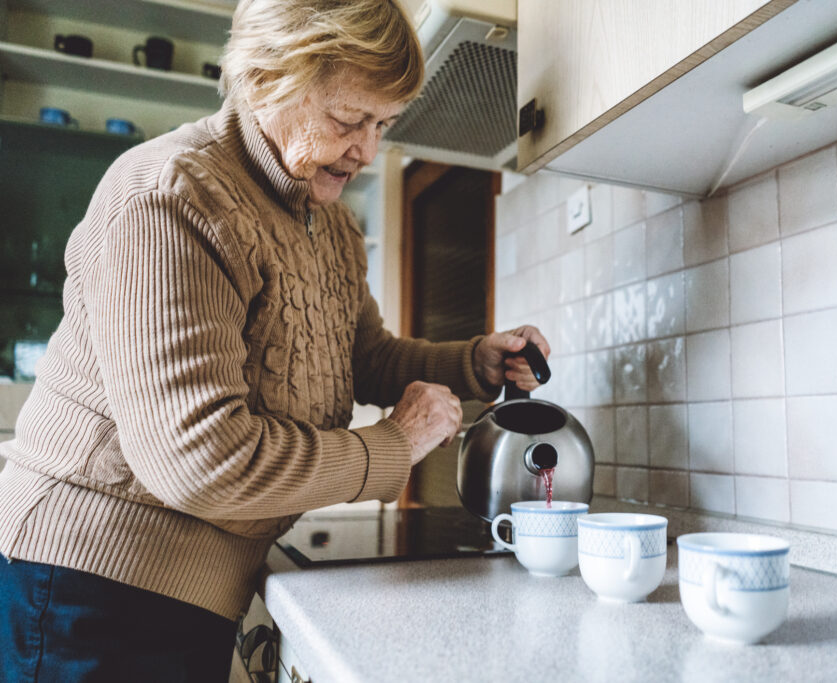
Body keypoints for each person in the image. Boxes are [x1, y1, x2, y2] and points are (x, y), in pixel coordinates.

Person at [0, 1, 549, 680]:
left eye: (384, 123)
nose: (368, 150)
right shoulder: (173, 196)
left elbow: (364, 355)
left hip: (194, 586)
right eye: (349, 120)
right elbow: (198, 458)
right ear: (264, 79)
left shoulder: (328, 220)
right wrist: (395, 446)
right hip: (92, 580)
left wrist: (474, 361)